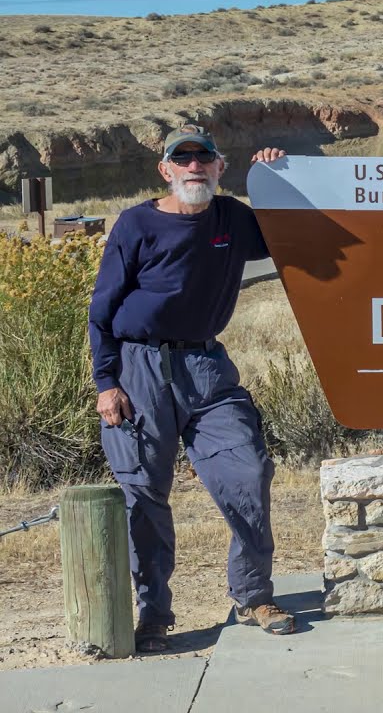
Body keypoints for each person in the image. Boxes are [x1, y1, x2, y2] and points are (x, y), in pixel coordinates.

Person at [89, 124, 292, 652]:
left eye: (205, 159)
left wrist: (271, 178)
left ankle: (253, 596)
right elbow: (102, 313)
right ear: (167, 170)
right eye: (184, 160)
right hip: (139, 368)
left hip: (205, 365)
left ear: (220, 168)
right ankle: (153, 615)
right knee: (144, 495)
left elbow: (291, 235)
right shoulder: (136, 224)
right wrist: (106, 382)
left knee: (247, 470)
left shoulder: (233, 218)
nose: (194, 167)